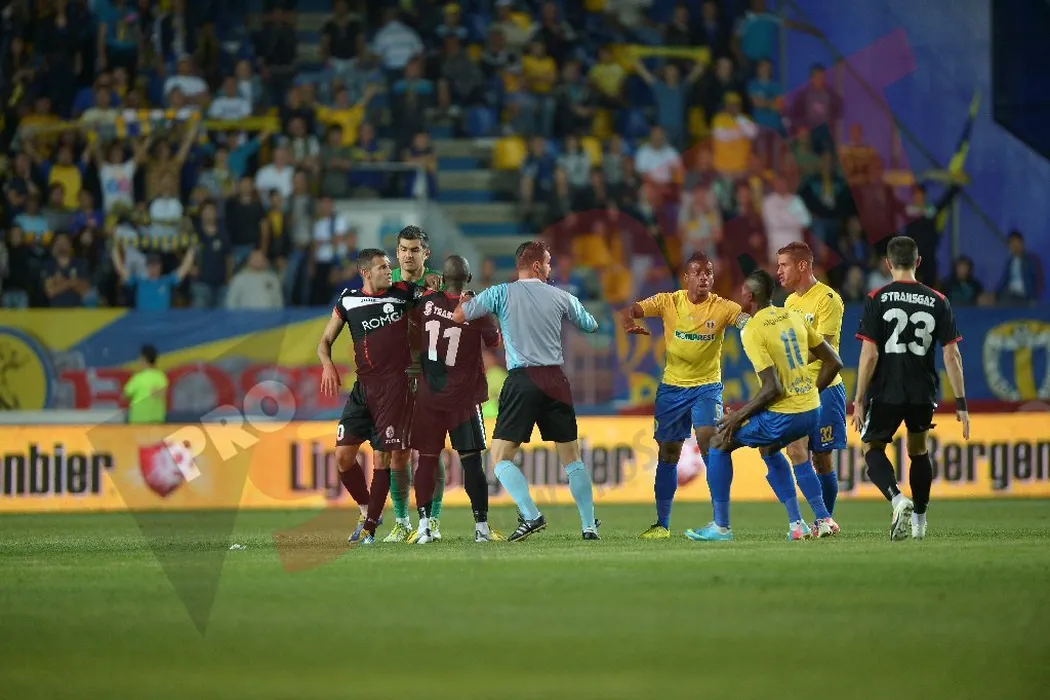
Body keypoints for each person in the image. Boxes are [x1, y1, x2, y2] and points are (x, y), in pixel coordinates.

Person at [454, 241, 600, 541]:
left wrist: (466, 299)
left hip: (523, 378)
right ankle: (589, 526)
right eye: (548, 263)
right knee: (572, 459)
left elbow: (459, 316)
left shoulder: (500, 293)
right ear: (536, 265)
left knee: (500, 458)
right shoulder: (561, 296)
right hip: (556, 379)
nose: (550, 268)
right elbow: (591, 325)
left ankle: (531, 515)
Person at [686, 270, 843, 542]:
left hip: (787, 413)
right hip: (811, 410)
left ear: (749, 297)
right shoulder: (793, 316)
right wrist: (809, 395)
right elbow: (834, 361)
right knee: (770, 448)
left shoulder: (753, 329)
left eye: (741, 291)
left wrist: (738, 416)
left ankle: (721, 527)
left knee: (719, 441)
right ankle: (804, 523)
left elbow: (772, 388)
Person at [621, 252, 751, 539]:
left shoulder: (723, 307)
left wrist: (759, 323)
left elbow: (746, 321)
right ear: (686, 278)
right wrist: (629, 321)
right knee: (668, 453)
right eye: (698, 273)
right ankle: (662, 524)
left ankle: (720, 523)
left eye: (709, 273)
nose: (704, 277)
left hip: (707, 387)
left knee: (710, 442)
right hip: (672, 389)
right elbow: (630, 310)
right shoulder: (668, 301)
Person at [852, 235, 969, 541]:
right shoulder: (939, 300)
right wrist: (961, 403)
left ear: (888, 264)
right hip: (922, 391)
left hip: (887, 390)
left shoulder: (876, 298)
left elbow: (869, 355)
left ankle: (896, 498)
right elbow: (952, 356)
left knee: (872, 447)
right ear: (918, 262)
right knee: (918, 451)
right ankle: (919, 522)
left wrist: (859, 399)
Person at [317, 247, 423, 545]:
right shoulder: (348, 299)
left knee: (382, 457)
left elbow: (435, 296)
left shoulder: (403, 293)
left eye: (389, 266)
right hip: (363, 389)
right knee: (343, 457)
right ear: (365, 273)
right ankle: (366, 510)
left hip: (395, 388)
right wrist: (327, 365)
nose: (389, 271)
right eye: (382, 267)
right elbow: (324, 341)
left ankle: (369, 529)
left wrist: (436, 281)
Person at [407, 255, 507, 544]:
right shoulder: (475, 309)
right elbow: (495, 341)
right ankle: (481, 529)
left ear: (443, 277)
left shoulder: (426, 302)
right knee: (472, 463)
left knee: (426, 461)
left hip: (429, 395)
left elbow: (412, 322)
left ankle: (424, 527)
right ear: (469, 278)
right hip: (464, 399)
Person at [381, 226, 444, 542]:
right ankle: (402, 521)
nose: (408, 255)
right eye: (403, 249)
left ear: (426, 253)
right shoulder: (384, 281)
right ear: (397, 252)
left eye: (415, 249)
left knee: (431, 452)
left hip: (432, 376)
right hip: (396, 377)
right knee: (398, 452)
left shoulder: (440, 284)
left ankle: (433, 521)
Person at [777, 241, 845, 533]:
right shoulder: (789, 303)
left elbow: (825, 349)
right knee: (796, 450)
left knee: (822, 458)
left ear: (802, 265)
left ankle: (823, 520)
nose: (779, 271)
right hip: (798, 390)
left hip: (825, 386)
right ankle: (823, 517)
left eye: (784, 265)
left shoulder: (828, 299)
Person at [123, 345, 169, 424]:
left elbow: (125, 395)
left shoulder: (138, 378)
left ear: (143, 359)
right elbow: (163, 393)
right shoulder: (161, 377)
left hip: (139, 421)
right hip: (157, 420)